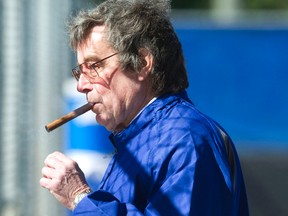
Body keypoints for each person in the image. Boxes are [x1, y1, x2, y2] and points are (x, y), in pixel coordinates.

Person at [40, 0, 249, 215]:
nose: (81, 85)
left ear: (142, 63)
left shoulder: (183, 137)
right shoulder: (142, 137)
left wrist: (81, 198)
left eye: (94, 66)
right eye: (80, 71)